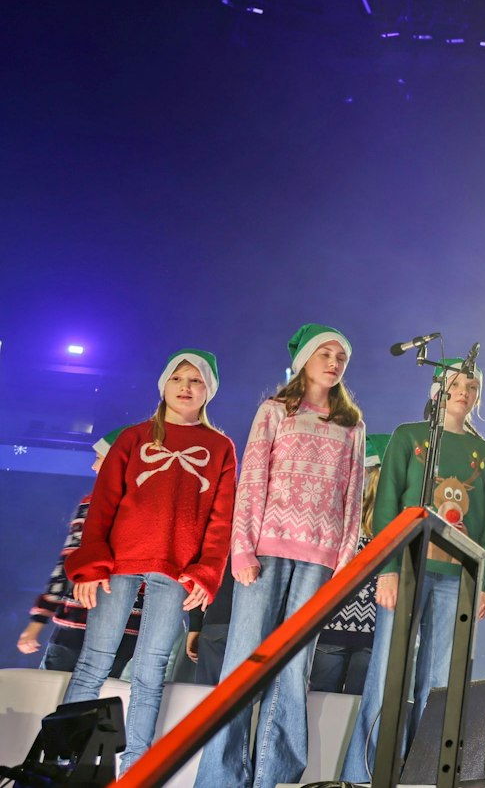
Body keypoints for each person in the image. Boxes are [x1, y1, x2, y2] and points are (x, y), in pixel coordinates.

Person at [195, 325, 369, 788]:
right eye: (325, 353)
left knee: (294, 672)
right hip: (265, 553)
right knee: (243, 665)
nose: (334, 362)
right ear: (305, 358)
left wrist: (345, 564)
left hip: (320, 561)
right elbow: (251, 480)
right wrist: (243, 549)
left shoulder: (353, 424)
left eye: (341, 357)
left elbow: (354, 501)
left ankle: (275, 778)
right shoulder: (274, 412)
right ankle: (220, 778)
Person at [63, 350, 239, 772]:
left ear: (207, 392)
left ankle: (134, 771)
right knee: (94, 660)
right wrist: (90, 566)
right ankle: (63, 761)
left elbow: (221, 519)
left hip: (176, 569)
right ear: (163, 385)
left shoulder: (220, 447)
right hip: (118, 565)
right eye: (178, 378)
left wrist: (206, 572)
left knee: (150, 670)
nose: (185, 387)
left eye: (195, 381)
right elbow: (103, 506)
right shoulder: (133, 438)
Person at [342, 360, 485, 779]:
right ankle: (362, 775)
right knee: (388, 674)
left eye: (472, 385)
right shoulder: (408, 437)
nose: (464, 390)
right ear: (436, 390)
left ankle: (421, 773)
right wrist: (389, 568)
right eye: (455, 382)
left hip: (457, 580)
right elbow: (387, 508)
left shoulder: (483, 454)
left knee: (437, 684)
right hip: (408, 569)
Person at [19, 432, 143, 676]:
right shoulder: (151, 507)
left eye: (99, 457)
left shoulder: (94, 503)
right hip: (126, 629)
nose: (93, 465)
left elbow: (67, 563)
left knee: (54, 699)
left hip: (78, 623)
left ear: (117, 461)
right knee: (97, 708)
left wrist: (37, 622)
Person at [310, 433, 389, 694]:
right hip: (373, 632)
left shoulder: (338, 513)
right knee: (356, 714)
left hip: (331, 626)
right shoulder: (395, 524)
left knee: (319, 705)